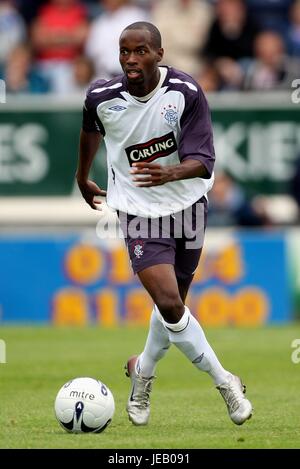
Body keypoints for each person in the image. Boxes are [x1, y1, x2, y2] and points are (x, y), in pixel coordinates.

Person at [76, 21, 253, 427]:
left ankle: (143, 371)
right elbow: (90, 131)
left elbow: (204, 160)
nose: (131, 60)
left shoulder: (185, 93)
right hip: (137, 211)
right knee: (172, 304)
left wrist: (168, 174)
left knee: (171, 310)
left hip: (187, 206)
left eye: (140, 51)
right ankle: (225, 382)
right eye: (124, 52)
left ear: (159, 53)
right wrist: (81, 175)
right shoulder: (102, 97)